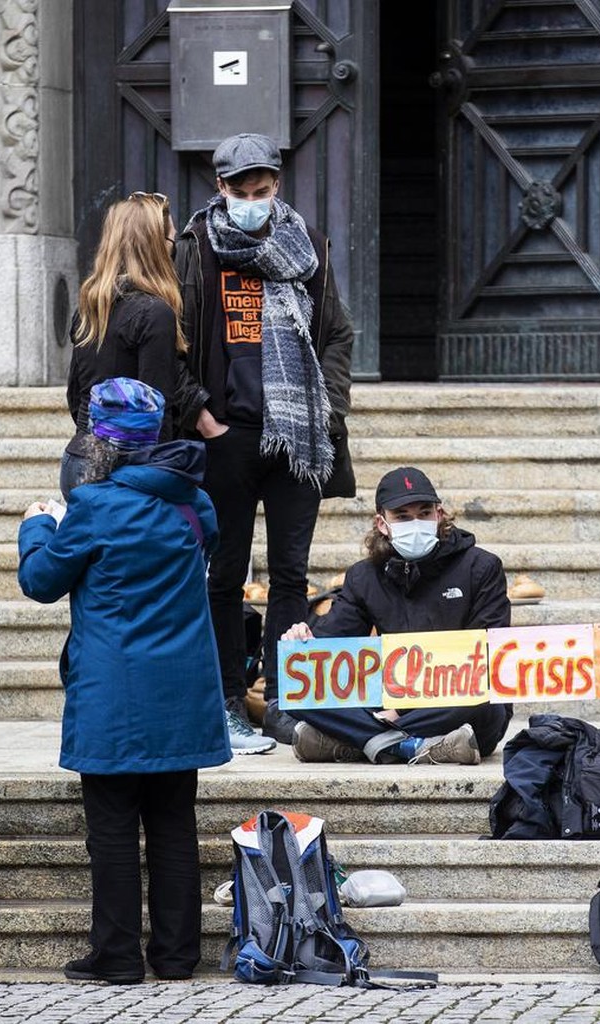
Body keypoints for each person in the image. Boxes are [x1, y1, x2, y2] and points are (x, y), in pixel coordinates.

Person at [19, 378, 235, 984]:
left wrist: (39, 526)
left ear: (100, 442)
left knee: (112, 829)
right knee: (174, 825)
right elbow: (206, 555)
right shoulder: (195, 502)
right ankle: (175, 955)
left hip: (113, 692)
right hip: (182, 690)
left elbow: (39, 581)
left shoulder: (94, 508)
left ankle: (116, 956)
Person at [174, 132, 355, 750]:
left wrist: (326, 408)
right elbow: (173, 340)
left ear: (276, 185)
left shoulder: (307, 247)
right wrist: (200, 416)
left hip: (296, 437)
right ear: (220, 189)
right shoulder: (195, 249)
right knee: (223, 576)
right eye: (241, 191)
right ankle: (227, 694)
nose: (253, 200)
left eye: (263, 189)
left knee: (290, 576)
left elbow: (337, 333)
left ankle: (281, 699)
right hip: (225, 436)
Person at [280, 467, 512, 764]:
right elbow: (333, 648)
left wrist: (400, 712)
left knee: (486, 701)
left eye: (424, 513)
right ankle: (414, 746)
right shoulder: (364, 576)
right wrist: (306, 643)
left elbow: (489, 657)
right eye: (402, 516)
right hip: (391, 700)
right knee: (295, 692)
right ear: (382, 523)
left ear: (439, 515)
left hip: (457, 700)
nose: (416, 523)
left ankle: (358, 741)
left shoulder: (481, 567)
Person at [61, 192, 214, 500]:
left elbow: (77, 395)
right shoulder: (155, 313)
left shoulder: (90, 308)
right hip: (128, 473)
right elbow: (156, 412)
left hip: (80, 460)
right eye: (172, 242)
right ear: (157, 248)